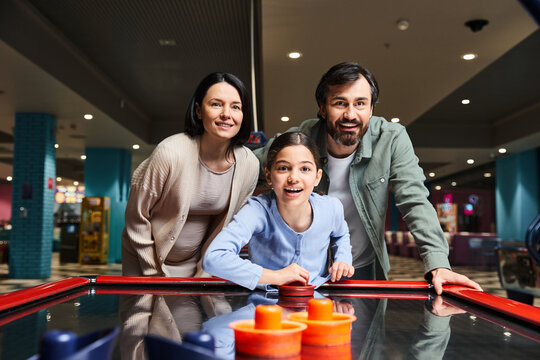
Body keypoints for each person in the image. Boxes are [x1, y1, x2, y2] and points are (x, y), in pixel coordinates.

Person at [253, 62, 482, 295]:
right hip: (301, 267)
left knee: (364, 332)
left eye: (360, 103)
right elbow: (245, 169)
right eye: (339, 103)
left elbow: (415, 202)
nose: (350, 114)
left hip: (361, 267)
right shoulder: (301, 139)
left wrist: (438, 263)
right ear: (322, 108)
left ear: (371, 109)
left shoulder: (391, 139)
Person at [121, 72, 259, 277]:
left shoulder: (249, 164)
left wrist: (205, 270)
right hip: (145, 262)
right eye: (216, 104)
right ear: (198, 110)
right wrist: (153, 275)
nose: (226, 114)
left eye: (236, 107)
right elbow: (136, 217)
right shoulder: (170, 153)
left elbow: (228, 228)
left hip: (198, 266)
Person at [203, 131, 354, 289]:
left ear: (317, 177)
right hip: (264, 305)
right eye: (283, 168)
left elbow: (341, 235)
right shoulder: (257, 210)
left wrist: (342, 259)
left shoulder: (331, 208)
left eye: (305, 169)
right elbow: (213, 258)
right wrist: (276, 276)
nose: (293, 178)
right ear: (268, 176)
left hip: (317, 302)